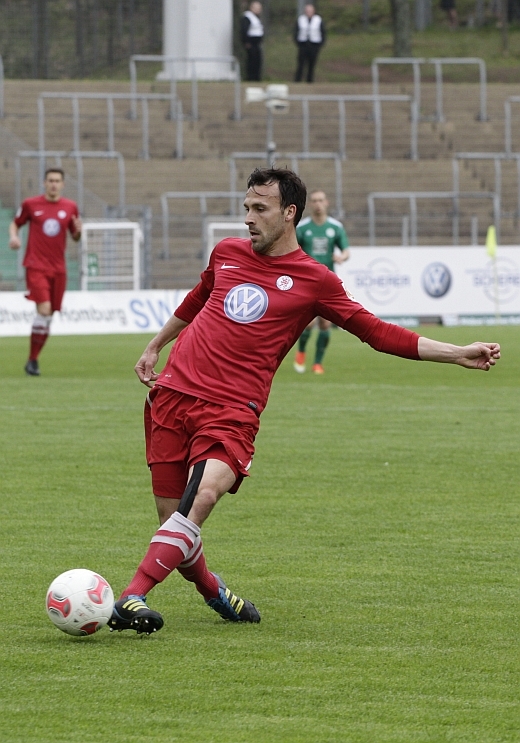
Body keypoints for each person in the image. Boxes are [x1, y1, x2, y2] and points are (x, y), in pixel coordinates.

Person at [108, 167, 500, 635]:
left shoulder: (315, 280)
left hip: (231, 410)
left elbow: (377, 332)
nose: (248, 218)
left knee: (202, 497)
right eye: (246, 208)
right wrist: (155, 345)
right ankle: (214, 591)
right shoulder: (227, 252)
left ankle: (131, 596)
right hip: (173, 395)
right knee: (174, 521)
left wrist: (456, 353)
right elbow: (199, 297)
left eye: (260, 209)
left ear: (289, 213)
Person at [8, 168, 82, 376]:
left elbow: (75, 236)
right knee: (44, 309)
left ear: (62, 184)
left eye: (57, 181)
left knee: (48, 315)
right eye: (50, 180)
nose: (54, 184)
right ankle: (32, 360)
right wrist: (14, 237)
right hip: (36, 265)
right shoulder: (31, 204)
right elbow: (15, 223)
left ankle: (33, 360)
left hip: (58, 268)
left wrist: (78, 232)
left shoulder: (70, 207)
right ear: (44, 183)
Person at [293, 189, 350, 374]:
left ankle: (317, 363)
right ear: (310, 204)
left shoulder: (335, 227)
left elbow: (346, 250)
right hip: (307, 282)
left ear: (326, 203)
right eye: (314, 200)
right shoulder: (302, 228)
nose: (318, 204)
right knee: (308, 324)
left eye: (320, 200)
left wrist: (342, 257)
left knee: (325, 324)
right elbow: (293, 251)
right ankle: (301, 351)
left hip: (327, 282)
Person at [294, 4, 326, 83]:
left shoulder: (318, 20)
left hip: (314, 44)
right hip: (303, 44)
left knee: (312, 63)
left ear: (314, 11)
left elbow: (323, 32)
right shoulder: (301, 19)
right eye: (307, 11)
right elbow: (296, 31)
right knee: (301, 63)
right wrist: (298, 42)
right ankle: (297, 80)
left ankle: (310, 80)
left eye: (310, 11)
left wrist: (321, 43)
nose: (308, 12)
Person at [241, 1, 264, 82]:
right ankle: (251, 77)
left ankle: (257, 78)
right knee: (252, 61)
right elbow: (244, 30)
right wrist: (247, 42)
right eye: (257, 8)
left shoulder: (256, 17)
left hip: (257, 43)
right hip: (251, 43)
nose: (259, 10)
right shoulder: (247, 17)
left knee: (258, 61)